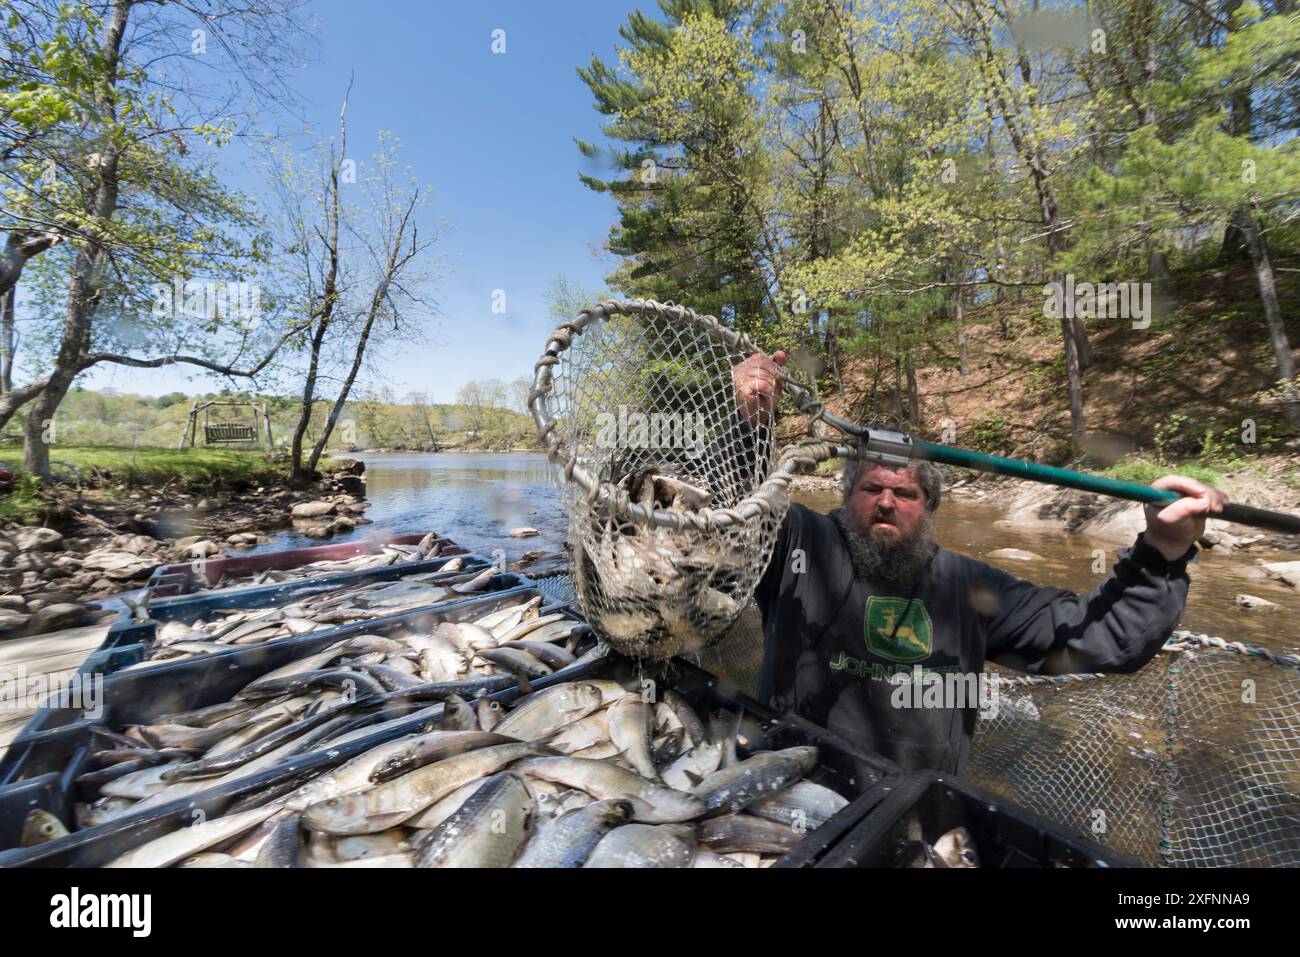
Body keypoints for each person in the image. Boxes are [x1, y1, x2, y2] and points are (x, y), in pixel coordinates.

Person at [732, 350, 1228, 773]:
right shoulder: (797, 544)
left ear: (929, 506)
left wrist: (1162, 550)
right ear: (845, 496)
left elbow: (1098, 640)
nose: (886, 502)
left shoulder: (967, 586)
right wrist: (749, 427)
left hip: (911, 808)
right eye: (871, 489)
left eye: (904, 492)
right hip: (788, 774)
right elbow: (733, 516)